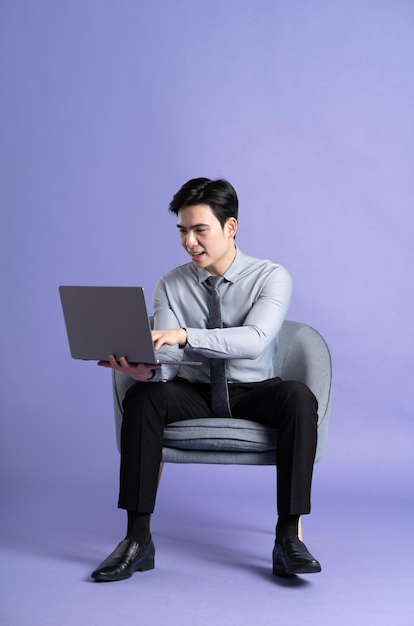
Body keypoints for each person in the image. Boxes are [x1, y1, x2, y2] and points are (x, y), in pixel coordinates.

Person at [92, 177, 321, 581]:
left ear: (230, 227)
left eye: (200, 230)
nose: (189, 241)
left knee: (299, 397)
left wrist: (185, 336)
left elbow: (255, 340)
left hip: (253, 389)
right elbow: (165, 357)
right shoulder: (170, 283)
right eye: (182, 230)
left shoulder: (271, 276)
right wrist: (144, 369)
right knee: (144, 398)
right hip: (193, 389)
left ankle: (288, 538)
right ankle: (137, 539)